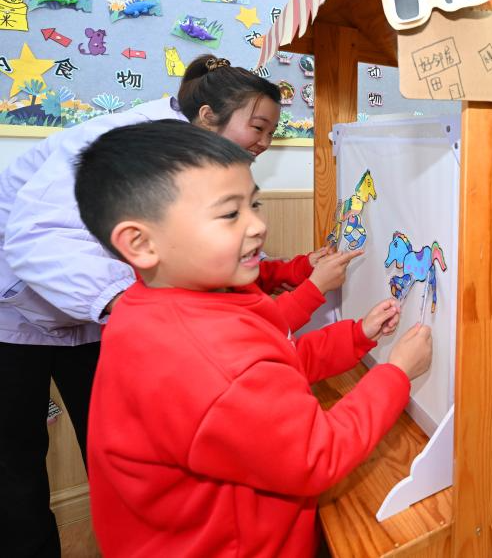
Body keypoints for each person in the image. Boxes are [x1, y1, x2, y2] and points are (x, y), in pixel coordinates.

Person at [0, 56, 349, 558]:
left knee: (121, 454)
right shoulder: (133, 146)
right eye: (258, 127)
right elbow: (36, 236)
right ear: (207, 116)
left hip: (101, 319)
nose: (264, 143)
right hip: (23, 309)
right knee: (18, 464)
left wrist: (288, 271)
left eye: (273, 133)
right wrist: (150, 314)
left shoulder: (199, 168)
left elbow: (215, 259)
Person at [75, 121, 433, 557]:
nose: (258, 225)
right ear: (141, 243)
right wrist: (396, 374)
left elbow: (274, 365)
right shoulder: (206, 357)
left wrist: (356, 336)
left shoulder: (161, 305)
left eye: (254, 203)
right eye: (231, 213)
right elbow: (318, 454)